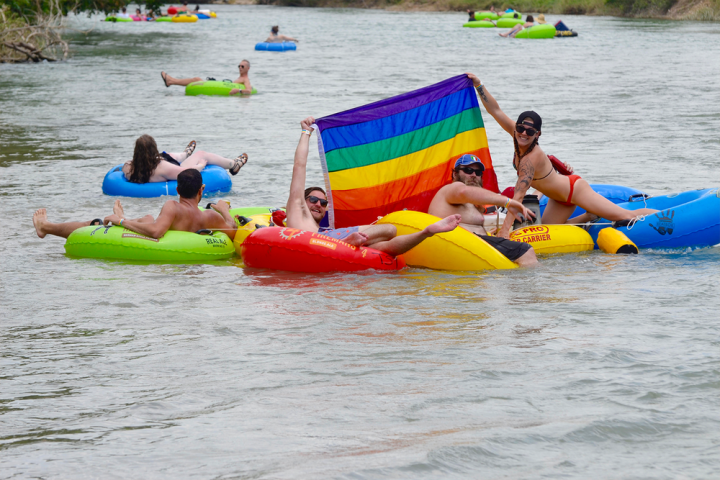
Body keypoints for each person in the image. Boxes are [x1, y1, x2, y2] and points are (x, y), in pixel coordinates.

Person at [466, 73, 658, 239]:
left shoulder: (531, 158)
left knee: (625, 215)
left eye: (530, 131)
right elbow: (495, 110)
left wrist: (505, 231)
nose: (524, 133)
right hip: (557, 198)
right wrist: (478, 85)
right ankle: (588, 217)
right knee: (549, 232)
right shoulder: (517, 136)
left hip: (574, 190)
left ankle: (667, 214)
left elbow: (518, 195)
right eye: (520, 128)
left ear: (537, 135)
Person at [286, 117, 462, 256]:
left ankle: (427, 232)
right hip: (324, 241)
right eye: (314, 200)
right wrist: (305, 132)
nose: (318, 204)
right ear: (303, 200)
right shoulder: (296, 209)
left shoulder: (319, 228)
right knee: (390, 229)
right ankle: (347, 242)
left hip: (326, 240)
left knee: (384, 246)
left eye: (323, 203)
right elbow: (299, 165)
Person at [33, 170, 237, 241]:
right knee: (147, 218)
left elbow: (157, 232)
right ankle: (124, 217)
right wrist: (225, 211)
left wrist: (121, 221)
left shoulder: (173, 207)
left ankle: (46, 227)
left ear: (177, 190)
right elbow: (233, 231)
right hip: (179, 233)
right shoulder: (209, 218)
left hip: (155, 234)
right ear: (201, 190)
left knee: (98, 223)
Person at [428, 154, 539, 267]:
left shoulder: (470, 203)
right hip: (455, 245)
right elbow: (462, 192)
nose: (473, 175)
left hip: (471, 247)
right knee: (525, 250)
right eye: (468, 170)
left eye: (478, 173)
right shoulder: (452, 189)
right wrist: (507, 202)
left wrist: (488, 235)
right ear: (455, 174)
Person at [122, 134, 248, 183]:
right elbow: (187, 172)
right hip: (173, 168)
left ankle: (185, 154)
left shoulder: (128, 166)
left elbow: (126, 168)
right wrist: (201, 165)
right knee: (202, 153)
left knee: (167, 155)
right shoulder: (162, 167)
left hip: (159, 165)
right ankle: (233, 164)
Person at [161, 60, 253, 96]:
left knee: (196, 79)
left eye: (242, 67)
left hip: (228, 93)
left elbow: (249, 90)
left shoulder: (245, 79)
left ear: (248, 68)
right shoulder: (240, 78)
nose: (240, 68)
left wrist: (238, 90)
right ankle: (171, 81)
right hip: (221, 88)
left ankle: (171, 81)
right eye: (239, 66)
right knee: (196, 79)